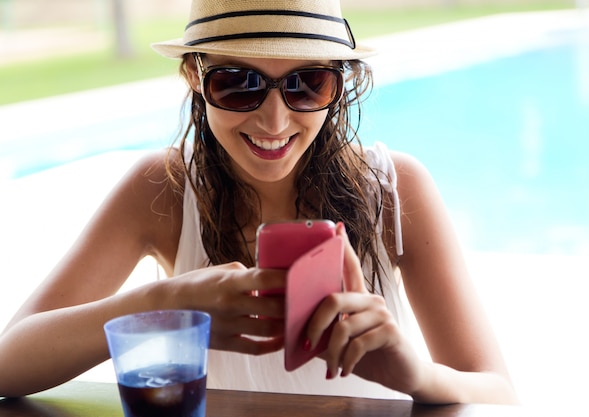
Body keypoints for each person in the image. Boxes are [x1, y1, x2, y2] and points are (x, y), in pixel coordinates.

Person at [0, 0, 518, 404]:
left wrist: (418, 375)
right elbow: (9, 363)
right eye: (237, 83)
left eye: (307, 84)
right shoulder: (162, 188)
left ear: (340, 83)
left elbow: (500, 394)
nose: (274, 122)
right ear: (193, 78)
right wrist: (164, 305)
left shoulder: (391, 189)